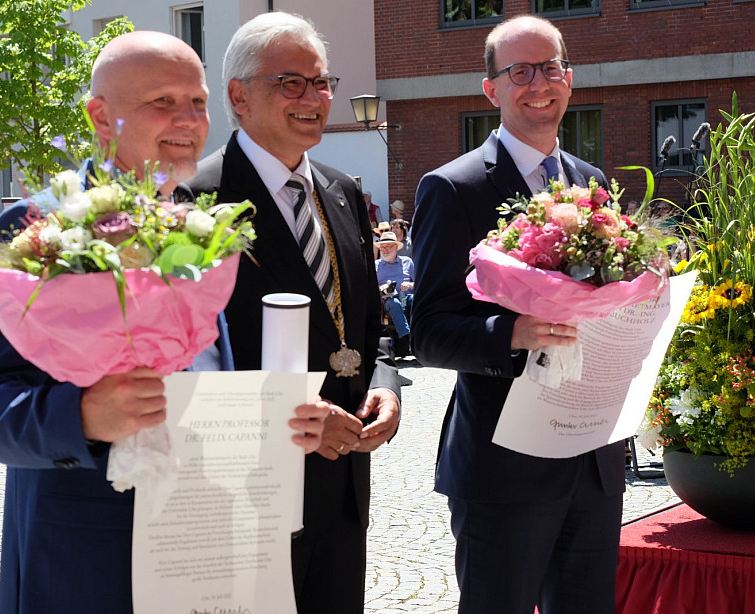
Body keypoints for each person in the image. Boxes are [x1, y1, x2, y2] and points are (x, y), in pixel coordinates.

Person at [0, 31, 328, 613]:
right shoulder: (39, 228)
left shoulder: (199, 228)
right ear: (101, 117)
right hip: (88, 566)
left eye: (198, 102)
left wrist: (275, 421)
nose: (189, 120)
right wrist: (83, 416)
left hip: (204, 551)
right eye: (162, 101)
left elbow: (202, 376)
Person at [185, 12, 401, 614]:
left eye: (322, 81)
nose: (315, 98)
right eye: (292, 83)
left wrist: (385, 387)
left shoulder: (343, 191)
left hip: (344, 487)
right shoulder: (194, 199)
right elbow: (187, 367)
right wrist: (291, 416)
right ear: (239, 96)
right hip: (248, 490)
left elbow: (369, 327)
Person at [411, 14, 622, 614]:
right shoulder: (453, 188)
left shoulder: (592, 182)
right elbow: (428, 332)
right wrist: (512, 333)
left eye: (550, 68)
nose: (539, 83)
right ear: (491, 89)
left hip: (593, 461)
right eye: (520, 71)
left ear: (569, 79)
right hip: (503, 467)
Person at [374, 231, 414, 358]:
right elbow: (370, 289)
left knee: (416, 300)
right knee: (394, 303)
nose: (385, 250)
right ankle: (406, 337)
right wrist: (381, 288)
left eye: (388, 246)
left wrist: (410, 285)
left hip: (407, 297)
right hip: (388, 300)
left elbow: (419, 284)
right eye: (382, 247)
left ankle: (421, 335)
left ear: (396, 247)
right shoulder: (375, 266)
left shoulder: (407, 262)